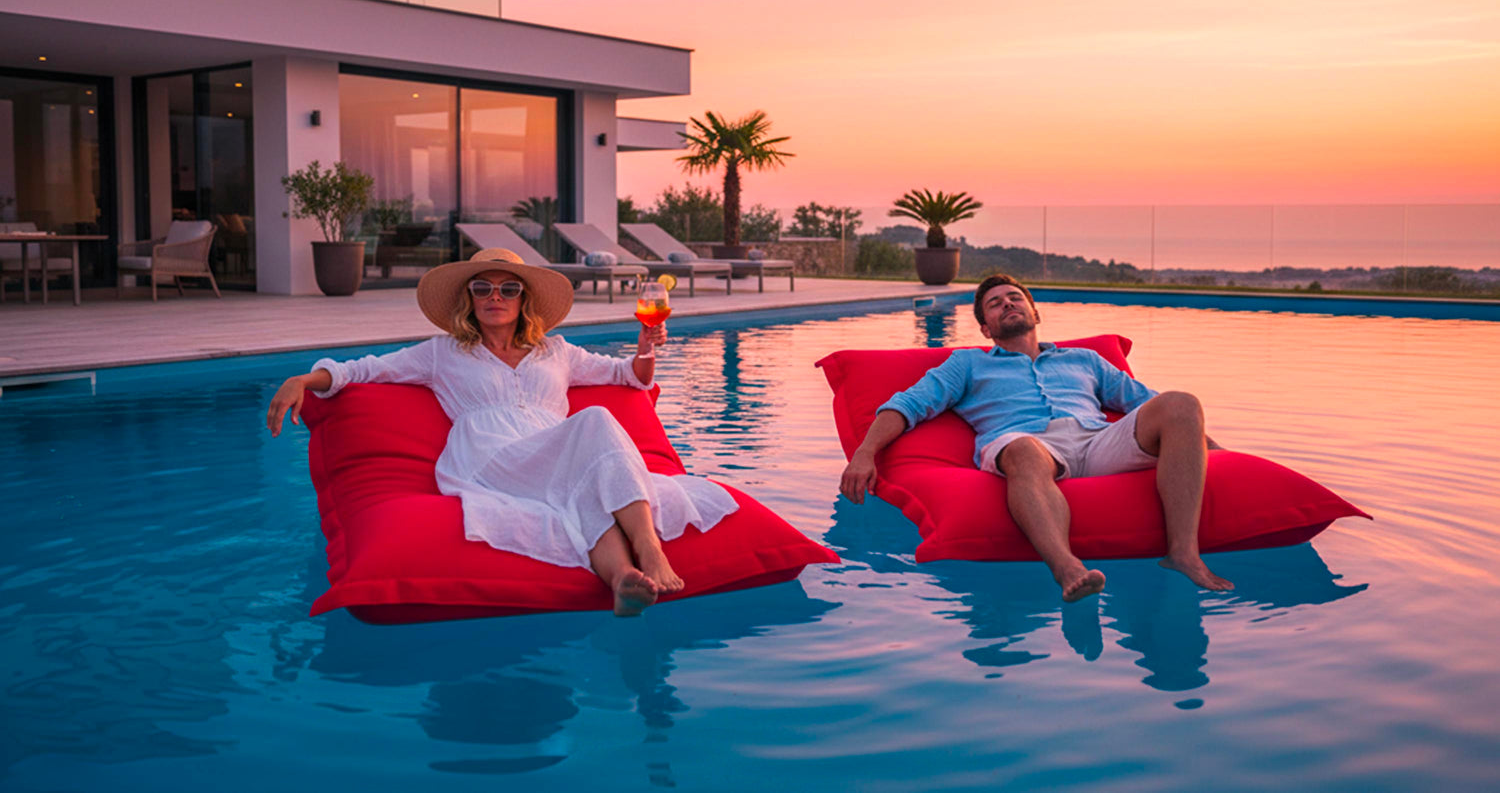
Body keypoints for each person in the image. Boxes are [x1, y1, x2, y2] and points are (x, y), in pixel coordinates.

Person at [266, 247, 737, 616]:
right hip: (490, 455)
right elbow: (364, 370)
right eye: (483, 288)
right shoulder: (442, 352)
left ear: (523, 299)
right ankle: (650, 549)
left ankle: (623, 583)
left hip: (553, 448)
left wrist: (646, 348)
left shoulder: (557, 350)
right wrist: (303, 379)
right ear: (468, 298)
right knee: (591, 424)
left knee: (579, 490)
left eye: (508, 288)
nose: (495, 296)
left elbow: (629, 377)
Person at [840, 273, 1233, 602]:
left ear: (1035, 312)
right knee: (1024, 450)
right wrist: (865, 453)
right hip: (1023, 443)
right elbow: (908, 405)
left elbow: (1145, 402)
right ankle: (1068, 568)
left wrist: (1207, 444)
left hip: (1097, 440)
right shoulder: (967, 364)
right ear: (985, 327)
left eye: (1015, 298)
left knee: (1181, 402)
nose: (1007, 304)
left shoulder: (1085, 359)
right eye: (995, 304)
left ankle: (1184, 554)